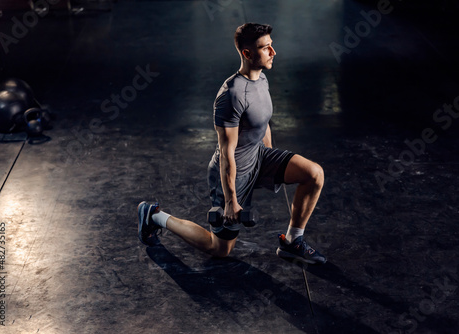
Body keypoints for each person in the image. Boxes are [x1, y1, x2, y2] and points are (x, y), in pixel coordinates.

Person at [138, 23, 326, 265]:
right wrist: (230, 201)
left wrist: (270, 160)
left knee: (314, 173)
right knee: (219, 249)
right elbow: (227, 153)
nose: (273, 52)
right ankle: (154, 216)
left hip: (258, 157)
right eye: (266, 47)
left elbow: (262, 123)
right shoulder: (231, 95)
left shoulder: (262, 80)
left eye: (272, 45)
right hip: (232, 172)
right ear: (247, 53)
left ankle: (292, 242)